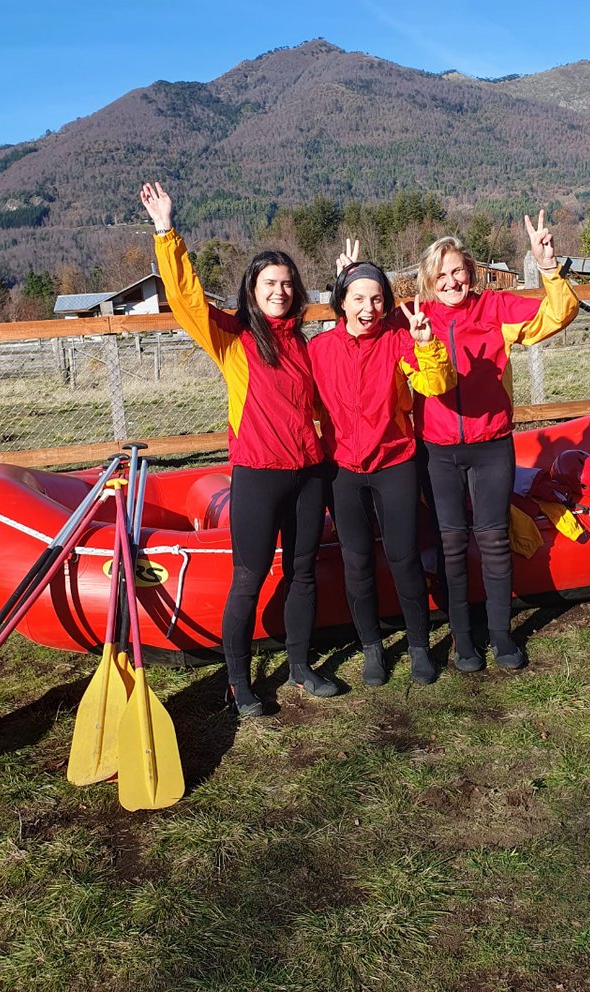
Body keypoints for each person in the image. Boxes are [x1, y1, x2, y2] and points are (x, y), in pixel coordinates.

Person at [140, 181, 338, 717]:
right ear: (251, 289)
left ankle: (299, 668)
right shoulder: (232, 337)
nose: (279, 290)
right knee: (249, 577)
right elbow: (184, 300)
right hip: (257, 475)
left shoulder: (304, 343)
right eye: (269, 283)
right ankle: (238, 683)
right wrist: (166, 232)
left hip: (308, 474)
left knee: (302, 572)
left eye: (287, 283)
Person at [414, 213, 579, 671]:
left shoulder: (495, 309)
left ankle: (502, 636)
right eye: (441, 274)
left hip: (491, 446)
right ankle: (464, 640)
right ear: (429, 281)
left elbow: (557, 314)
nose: (451, 281)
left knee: (492, 540)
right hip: (438, 451)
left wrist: (548, 267)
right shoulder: (418, 319)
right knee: (451, 545)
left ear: (470, 271)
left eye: (458, 271)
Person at [308, 250, 456, 686]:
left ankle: (418, 646)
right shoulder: (320, 350)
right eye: (357, 298)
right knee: (357, 562)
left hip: (394, 463)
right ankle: (372, 647)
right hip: (343, 470)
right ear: (341, 302)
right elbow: (309, 405)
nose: (367, 308)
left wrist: (427, 344)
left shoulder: (398, 339)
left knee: (404, 557)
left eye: (376, 299)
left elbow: (437, 384)